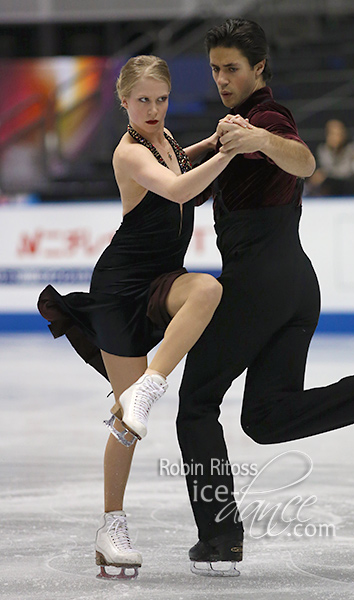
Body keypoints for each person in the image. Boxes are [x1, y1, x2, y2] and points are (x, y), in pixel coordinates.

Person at [175, 19, 354, 577]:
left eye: (233, 68)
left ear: (260, 68)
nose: (222, 78)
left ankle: (220, 539)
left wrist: (261, 140)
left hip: (260, 285)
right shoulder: (231, 129)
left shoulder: (268, 118)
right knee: (266, 418)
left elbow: (304, 160)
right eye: (216, 69)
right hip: (294, 287)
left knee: (195, 404)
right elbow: (188, 195)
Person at [37, 55, 239, 579]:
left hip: (163, 278)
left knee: (207, 290)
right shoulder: (128, 152)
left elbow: (180, 164)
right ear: (124, 102)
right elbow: (176, 188)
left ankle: (152, 384)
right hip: (121, 290)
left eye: (161, 99)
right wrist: (231, 153)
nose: (153, 109)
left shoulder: (166, 140)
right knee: (127, 424)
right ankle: (111, 526)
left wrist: (215, 142)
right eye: (142, 100)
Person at [307, 119, 354, 196]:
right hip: (330, 184)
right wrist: (334, 150)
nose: (335, 137)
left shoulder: (350, 149)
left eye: (338, 134)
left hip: (347, 183)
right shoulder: (323, 149)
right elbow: (326, 166)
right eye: (332, 134)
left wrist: (326, 172)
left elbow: (346, 171)